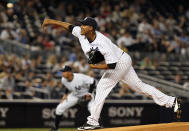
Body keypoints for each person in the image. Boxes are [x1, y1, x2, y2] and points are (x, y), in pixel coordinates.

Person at [42, 17, 181, 130]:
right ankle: (172, 102)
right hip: (121, 60)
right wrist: (51, 21)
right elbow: (69, 27)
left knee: (102, 87)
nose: (81, 27)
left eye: (84, 25)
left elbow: (112, 65)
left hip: (119, 61)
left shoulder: (102, 42)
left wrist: (95, 67)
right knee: (140, 87)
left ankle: (93, 121)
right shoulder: (81, 33)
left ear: (91, 28)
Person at [50, 66, 96, 131]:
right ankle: (56, 128)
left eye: (64, 72)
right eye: (62, 71)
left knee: (93, 110)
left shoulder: (80, 77)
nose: (62, 73)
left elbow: (93, 81)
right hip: (75, 95)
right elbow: (68, 86)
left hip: (86, 94)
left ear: (70, 72)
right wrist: (65, 94)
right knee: (59, 108)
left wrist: (89, 93)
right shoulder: (63, 79)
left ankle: (99, 126)